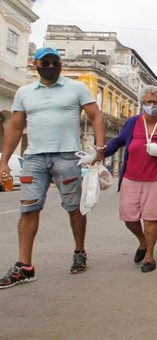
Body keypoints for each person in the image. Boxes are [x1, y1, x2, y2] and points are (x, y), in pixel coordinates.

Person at [0, 47, 106, 289]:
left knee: (74, 208)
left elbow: (96, 116)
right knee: (28, 208)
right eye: (45, 62)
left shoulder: (76, 88)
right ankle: (24, 265)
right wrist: (5, 160)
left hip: (67, 157)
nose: (50, 66)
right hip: (34, 158)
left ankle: (79, 250)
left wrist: (99, 149)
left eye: (54, 62)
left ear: (60, 64)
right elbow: (15, 127)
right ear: (35, 65)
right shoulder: (24, 92)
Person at [100, 85, 157, 273]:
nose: (151, 105)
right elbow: (118, 141)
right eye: (148, 102)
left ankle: (150, 256)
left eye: (155, 102)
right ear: (142, 103)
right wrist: (103, 152)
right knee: (128, 217)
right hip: (131, 177)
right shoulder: (132, 122)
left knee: (151, 217)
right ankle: (142, 242)